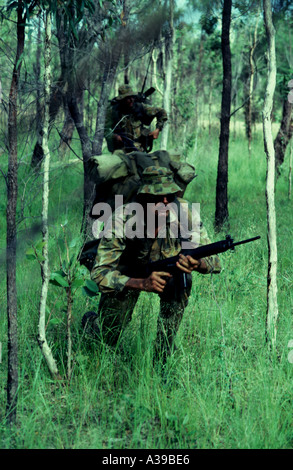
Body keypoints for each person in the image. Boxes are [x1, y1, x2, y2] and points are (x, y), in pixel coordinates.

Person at [83, 167, 221, 364]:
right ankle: (92, 325)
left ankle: (163, 355)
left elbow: (215, 261)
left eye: (170, 196)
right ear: (144, 197)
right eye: (158, 197)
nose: (166, 202)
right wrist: (140, 283)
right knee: (107, 337)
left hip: (165, 273)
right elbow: (99, 273)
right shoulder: (123, 218)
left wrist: (197, 263)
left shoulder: (185, 213)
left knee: (181, 281)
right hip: (127, 274)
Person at [104, 85, 167, 154]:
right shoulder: (113, 111)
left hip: (138, 147)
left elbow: (161, 112)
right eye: (128, 98)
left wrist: (157, 129)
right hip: (120, 148)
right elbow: (105, 130)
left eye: (132, 97)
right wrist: (113, 136)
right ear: (122, 99)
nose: (131, 100)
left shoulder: (139, 107)